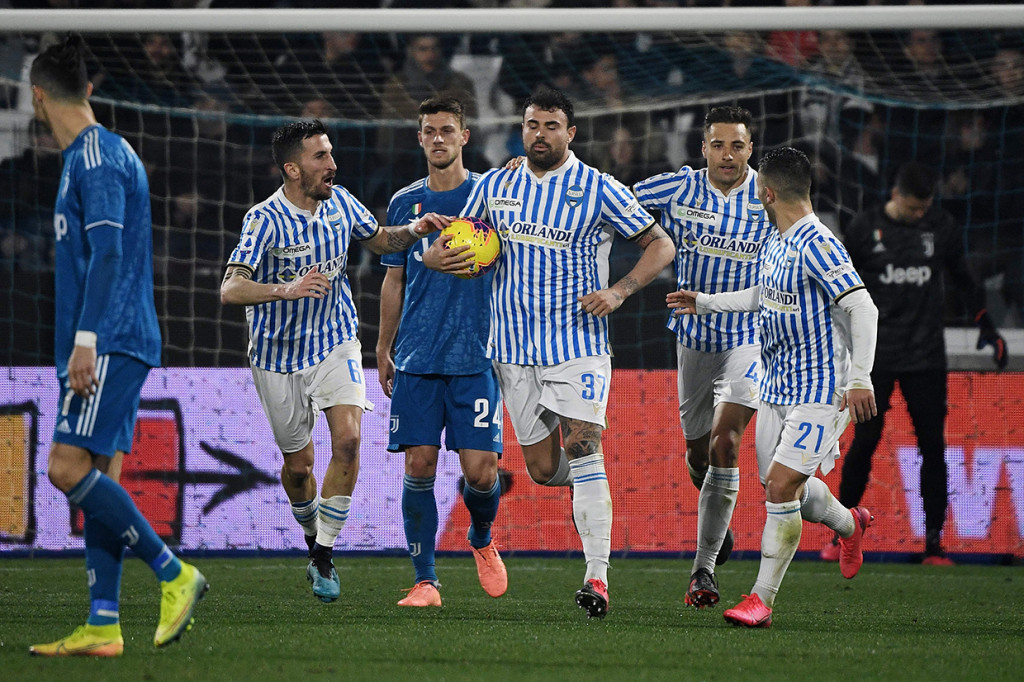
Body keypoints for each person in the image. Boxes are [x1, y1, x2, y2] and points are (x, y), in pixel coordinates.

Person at [426, 86, 675, 619]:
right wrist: (453, 253)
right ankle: (595, 490)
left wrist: (620, 290)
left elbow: (661, 244)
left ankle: (597, 578)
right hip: (511, 352)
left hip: (577, 346)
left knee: (584, 448)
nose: (540, 135)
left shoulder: (599, 188)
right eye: (532, 125)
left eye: (551, 126)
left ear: (571, 132)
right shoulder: (498, 184)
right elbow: (462, 239)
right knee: (542, 469)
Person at [26, 33, 208, 657]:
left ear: (37, 97)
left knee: (65, 468)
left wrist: (84, 341)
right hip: (118, 337)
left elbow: (106, 250)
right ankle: (104, 622)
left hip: (108, 339)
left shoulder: (95, 158)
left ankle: (173, 573)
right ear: (92, 90)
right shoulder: (98, 153)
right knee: (100, 476)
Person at [220, 119, 449, 604]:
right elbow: (231, 288)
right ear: (292, 169)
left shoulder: (341, 201)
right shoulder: (264, 219)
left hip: (336, 341)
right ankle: (311, 542)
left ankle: (324, 553)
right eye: (320, 157)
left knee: (347, 441)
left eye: (331, 154)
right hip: (276, 356)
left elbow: (381, 240)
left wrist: (414, 229)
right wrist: (286, 288)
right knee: (299, 467)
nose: (333, 165)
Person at [668, 146, 879, 628]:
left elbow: (862, 307)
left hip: (821, 391)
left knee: (782, 485)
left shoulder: (816, 242)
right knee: (783, 487)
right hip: (777, 387)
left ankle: (760, 600)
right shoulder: (776, 240)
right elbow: (765, 294)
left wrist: (860, 377)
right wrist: (706, 302)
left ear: (766, 191)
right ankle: (851, 524)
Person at [820, 161, 1008, 566]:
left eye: (925, 208)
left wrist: (987, 326)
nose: (920, 214)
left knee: (933, 448)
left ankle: (934, 544)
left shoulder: (941, 227)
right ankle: (840, 533)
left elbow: (963, 279)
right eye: (913, 208)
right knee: (865, 442)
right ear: (896, 194)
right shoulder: (863, 230)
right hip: (876, 358)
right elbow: (839, 286)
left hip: (925, 357)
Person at [633, 106, 772, 610]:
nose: (728, 154)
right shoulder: (677, 189)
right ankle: (717, 523)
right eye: (718, 145)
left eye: (737, 145)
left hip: (748, 338)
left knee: (725, 443)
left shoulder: (769, 195)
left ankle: (703, 570)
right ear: (704, 148)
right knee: (698, 456)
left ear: (750, 149)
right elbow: (610, 201)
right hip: (692, 338)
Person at [375, 96, 506, 608]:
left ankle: (480, 536)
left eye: (447, 130)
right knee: (420, 467)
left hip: (475, 355)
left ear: (464, 137)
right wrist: (383, 346)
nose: (438, 139)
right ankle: (425, 581)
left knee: (482, 473)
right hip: (417, 357)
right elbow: (393, 281)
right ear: (420, 138)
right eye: (429, 130)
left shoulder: (493, 197)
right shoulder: (405, 204)